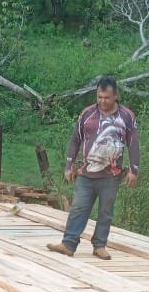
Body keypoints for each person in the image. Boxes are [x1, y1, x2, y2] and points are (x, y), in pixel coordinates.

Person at [47, 75, 139, 260]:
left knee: (106, 210)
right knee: (78, 208)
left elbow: (133, 143)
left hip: (111, 175)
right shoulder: (87, 114)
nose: (102, 101)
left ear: (115, 96)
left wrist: (133, 169)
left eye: (107, 97)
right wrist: (69, 165)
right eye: (99, 97)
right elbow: (75, 139)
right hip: (86, 173)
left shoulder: (126, 116)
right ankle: (68, 244)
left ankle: (99, 245)